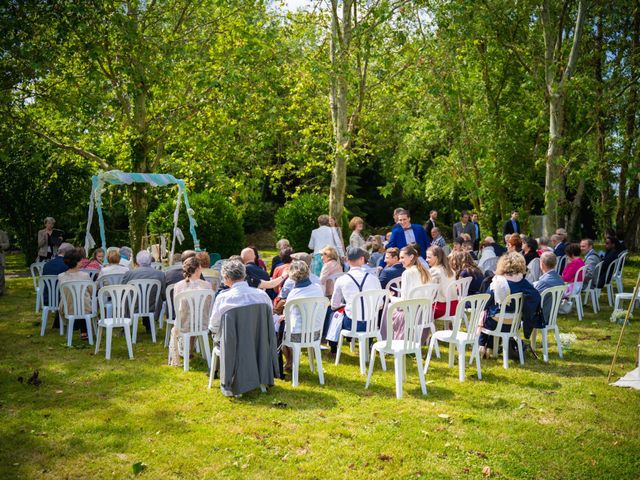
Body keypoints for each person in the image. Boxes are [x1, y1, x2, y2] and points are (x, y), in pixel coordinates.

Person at [479, 252, 541, 358]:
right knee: (491, 313)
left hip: (496, 323)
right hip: (514, 324)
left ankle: (482, 345)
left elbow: (486, 302)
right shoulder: (523, 282)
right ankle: (489, 347)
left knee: (486, 313)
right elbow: (536, 296)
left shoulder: (497, 281)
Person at [327, 247, 382, 351]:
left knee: (335, 314)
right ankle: (368, 344)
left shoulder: (341, 279)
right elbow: (380, 305)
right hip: (372, 323)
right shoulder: (374, 278)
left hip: (351, 323)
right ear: (362, 259)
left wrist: (345, 306)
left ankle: (333, 346)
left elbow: (334, 305)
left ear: (347, 260)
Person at [277, 260, 325, 374]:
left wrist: (282, 317)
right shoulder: (318, 288)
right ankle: (290, 362)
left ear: (292, 276)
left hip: (297, 335)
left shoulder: (293, 294)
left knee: (280, 330)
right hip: (316, 333)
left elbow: (288, 315)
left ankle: (288, 362)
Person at [208, 259, 273, 339]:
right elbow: (269, 320)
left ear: (226, 277)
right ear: (244, 274)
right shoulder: (262, 295)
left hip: (231, 346)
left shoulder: (223, 298)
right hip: (258, 344)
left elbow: (214, 326)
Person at [169, 256, 214, 367]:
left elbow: (177, 307)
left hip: (183, 324)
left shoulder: (178, 286)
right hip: (203, 324)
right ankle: (188, 351)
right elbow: (209, 306)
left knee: (186, 320)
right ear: (198, 269)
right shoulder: (207, 285)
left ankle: (184, 351)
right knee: (194, 319)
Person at [122, 250, 166, 334]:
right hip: (153, 306)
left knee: (128, 297)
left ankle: (125, 328)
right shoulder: (160, 274)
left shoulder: (129, 274)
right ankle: (149, 325)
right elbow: (163, 294)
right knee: (152, 297)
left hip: (133, 306)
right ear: (151, 260)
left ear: (137, 261)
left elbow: (123, 291)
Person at [57, 248, 93, 340]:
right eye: (80, 260)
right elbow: (91, 290)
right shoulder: (85, 275)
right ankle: (85, 331)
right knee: (84, 301)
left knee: (77, 301)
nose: (82, 261)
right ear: (77, 262)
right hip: (85, 308)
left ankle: (77, 328)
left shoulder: (61, 276)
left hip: (67, 307)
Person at [533, 252, 565, 324]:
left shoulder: (544, 282)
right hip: (552, 315)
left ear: (542, 264)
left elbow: (533, 300)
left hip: (541, 317)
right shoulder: (560, 279)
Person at [426, 245, 457, 319]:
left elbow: (429, 293)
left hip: (442, 308)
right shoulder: (451, 270)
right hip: (454, 306)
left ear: (437, 258)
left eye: (429, 257)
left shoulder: (434, 271)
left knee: (417, 312)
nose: (426, 259)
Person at [0, 229, 9, 296]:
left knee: (1, 275)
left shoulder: (2, 233)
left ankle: (1, 291)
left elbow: (7, 244)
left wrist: (1, 245)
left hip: (0, 257)